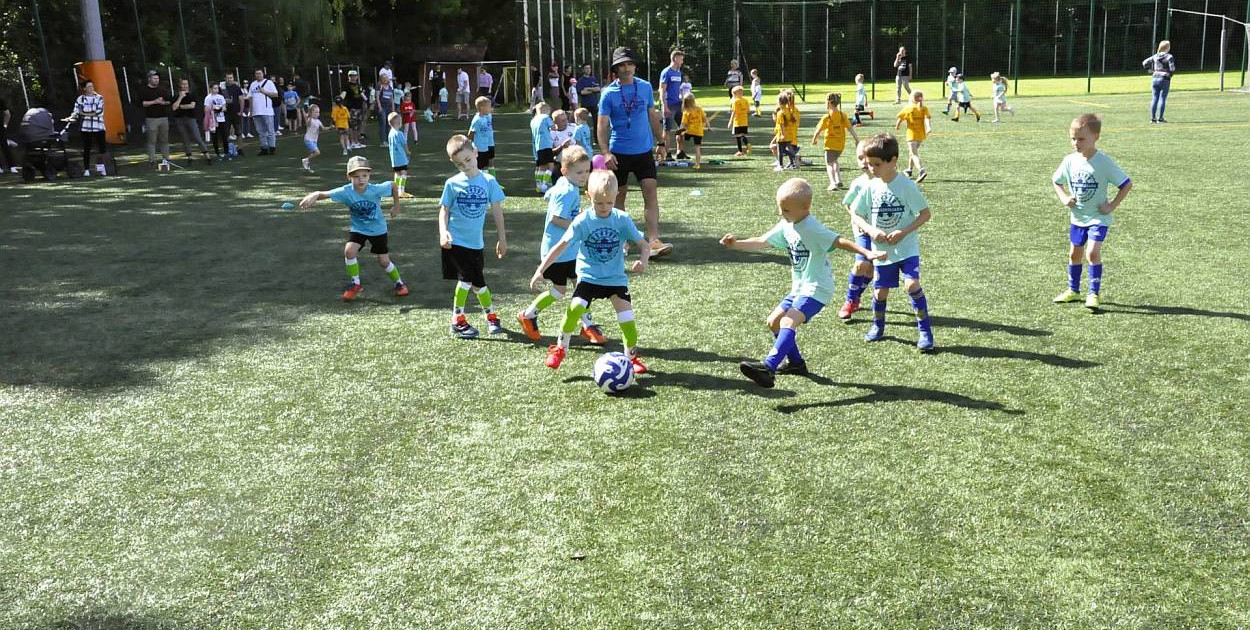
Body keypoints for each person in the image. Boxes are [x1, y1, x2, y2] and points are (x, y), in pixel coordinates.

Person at [724, 178, 886, 388]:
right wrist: (736, 244)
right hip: (800, 288)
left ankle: (769, 367)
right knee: (773, 321)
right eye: (780, 208)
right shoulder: (787, 224)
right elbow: (762, 241)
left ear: (805, 207)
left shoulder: (812, 227)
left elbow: (840, 241)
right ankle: (796, 364)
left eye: (786, 210)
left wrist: (867, 253)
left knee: (787, 322)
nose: (782, 214)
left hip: (817, 289)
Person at [531, 169, 651, 373]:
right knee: (576, 307)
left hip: (615, 279)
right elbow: (560, 245)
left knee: (627, 318)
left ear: (616, 198)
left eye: (609, 203)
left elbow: (644, 244)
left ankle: (631, 357)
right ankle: (560, 348)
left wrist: (643, 260)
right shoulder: (582, 221)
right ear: (588, 197)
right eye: (598, 203)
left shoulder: (622, 219)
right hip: (588, 277)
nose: (604, 208)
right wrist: (540, 270)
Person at [850, 134, 935, 352]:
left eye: (876, 165)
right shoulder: (870, 187)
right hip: (882, 253)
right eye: (869, 164)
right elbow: (856, 213)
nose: (872, 169)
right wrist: (870, 230)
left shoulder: (906, 186)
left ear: (893, 160)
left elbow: (925, 214)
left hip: (906, 249)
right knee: (880, 292)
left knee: (912, 285)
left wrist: (903, 231)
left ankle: (925, 331)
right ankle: (878, 326)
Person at [516, 146, 607, 345]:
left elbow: (553, 199)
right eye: (579, 172)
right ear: (565, 171)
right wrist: (581, 225)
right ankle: (528, 314)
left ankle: (587, 326)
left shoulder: (567, 185)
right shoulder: (567, 191)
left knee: (582, 287)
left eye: (587, 171)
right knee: (560, 291)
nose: (584, 176)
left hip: (571, 251)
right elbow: (556, 219)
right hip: (557, 252)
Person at [597, 46, 674, 257]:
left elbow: (652, 114)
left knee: (650, 194)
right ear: (616, 69)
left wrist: (661, 142)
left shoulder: (646, 87)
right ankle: (622, 242)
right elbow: (602, 125)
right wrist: (605, 153)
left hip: (643, 152)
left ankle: (654, 240)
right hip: (618, 153)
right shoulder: (608, 93)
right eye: (622, 64)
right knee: (618, 198)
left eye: (630, 63)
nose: (627, 68)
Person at [298, 156, 408, 302]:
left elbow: (393, 185)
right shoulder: (346, 191)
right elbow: (325, 194)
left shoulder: (375, 189)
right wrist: (315, 194)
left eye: (365, 175)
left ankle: (399, 283)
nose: (361, 180)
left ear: (369, 175)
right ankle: (356, 284)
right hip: (359, 229)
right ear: (349, 177)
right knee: (349, 251)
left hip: (378, 230)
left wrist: (397, 205)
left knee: (383, 261)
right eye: (356, 177)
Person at [1051, 114, 1133, 310]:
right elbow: (1056, 181)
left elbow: (1126, 184)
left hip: (1098, 217)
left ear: (1096, 137)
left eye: (1081, 139)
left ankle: (1093, 294)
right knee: (1074, 255)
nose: (1076, 143)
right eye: (1073, 138)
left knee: (1092, 252)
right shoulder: (1069, 161)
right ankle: (1073, 290)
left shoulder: (1103, 162)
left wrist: (1112, 205)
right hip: (1078, 217)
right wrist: (1064, 197)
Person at [439, 134, 509, 339]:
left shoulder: (489, 181)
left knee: (478, 283)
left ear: (476, 153)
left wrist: (502, 238)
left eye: (468, 160)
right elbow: (444, 209)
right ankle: (457, 320)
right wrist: (443, 232)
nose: (466, 166)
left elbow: (497, 211)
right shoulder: (452, 183)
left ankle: (491, 316)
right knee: (467, 279)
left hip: (476, 243)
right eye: (460, 164)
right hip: (456, 243)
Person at [837, 140, 876, 321]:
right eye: (859, 158)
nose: (862, 162)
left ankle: (857, 294)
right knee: (861, 264)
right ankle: (850, 301)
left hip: (882, 232)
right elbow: (847, 203)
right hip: (863, 231)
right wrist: (857, 219)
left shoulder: (887, 181)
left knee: (872, 271)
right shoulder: (858, 183)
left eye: (865, 158)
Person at [811, 92, 859, 191]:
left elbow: (818, 130)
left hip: (830, 145)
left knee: (829, 164)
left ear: (828, 103)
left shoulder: (827, 117)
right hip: (840, 145)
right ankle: (838, 180)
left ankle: (832, 183)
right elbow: (850, 129)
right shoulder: (842, 115)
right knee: (835, 161)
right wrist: (856, 139)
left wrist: (814, 139)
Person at [170, 78, 212, 164]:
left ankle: (207, 155)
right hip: (179, 119)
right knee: (185, 139)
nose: (185, 86)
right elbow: (174, 107)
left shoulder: (192, 94)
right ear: (180, 85)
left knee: (197, 137)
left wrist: (180, 106)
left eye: (186, 84)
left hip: (190, 118)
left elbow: (192, 106)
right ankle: (189, 157)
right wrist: (180, 97)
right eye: (183, 84)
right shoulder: (176, 95)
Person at [71, 80, 108, 177]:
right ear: (84, 89)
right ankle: (86, 170)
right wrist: (75, 115)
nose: (91, 88)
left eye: (92, 86)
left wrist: (84, 113)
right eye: (89, 86)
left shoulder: (99, 98)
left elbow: (99, 112)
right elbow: (76, 111)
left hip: (99, 127)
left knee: (102, 149)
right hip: (86, 128)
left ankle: (102, 169)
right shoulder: (80, 99)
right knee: (86, 149)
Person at [137, 70, 172, 169]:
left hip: (163, 118)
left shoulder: (162, 89)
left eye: (157, 78)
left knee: (165, 140)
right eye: (154, 78)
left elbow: (169, 101)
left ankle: (166, 159)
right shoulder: (144, 90)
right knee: (152, 141)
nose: (156, 80)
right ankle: (152, 160)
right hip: (151, 119)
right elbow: (142, 103)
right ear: (149, 79)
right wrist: (154, 102)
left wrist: (163, 103)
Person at [894, 90, 931, 182]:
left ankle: (921, 170)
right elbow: (927, 119)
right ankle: (909, 170)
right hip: (921, 134)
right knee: (912, 152)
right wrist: (928, 127)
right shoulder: (924, 108)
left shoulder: (908, 108)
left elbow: (900, 118)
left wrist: (897, 126)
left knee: (914, 154)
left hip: (911, 134)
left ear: (911, 98)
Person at [659, 50, 687, 160]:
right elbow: (662, 89)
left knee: (682, 128)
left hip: (678, 104)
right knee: (667, 130)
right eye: (681, 59)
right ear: (675, 59)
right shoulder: (666, 72)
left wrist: (683, 101)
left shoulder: (678, 72)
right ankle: (667, 153)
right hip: (669, 105)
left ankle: (680, 151)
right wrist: (664, 106)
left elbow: (679, 89)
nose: (682, 61)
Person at [1143, 40, 1176, 124]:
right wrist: (1170, 75)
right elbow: (1172, 68)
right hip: (1164, 78)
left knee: (1154, 98)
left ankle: (1153, 118)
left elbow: (1144, 63)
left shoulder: (1155, 56)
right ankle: (1160, 118)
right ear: (1167, 47)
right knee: (1162, 98)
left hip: (1155, 78)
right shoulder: (1169, 56)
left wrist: (1150, 70)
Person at [248, 69, 279, 155]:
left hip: (267, 110)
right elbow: (250, 97)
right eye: (256, 73)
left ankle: (272, 147)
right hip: (256, 111)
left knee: (270, 130)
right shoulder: (253, 84)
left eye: (259, 73)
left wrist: (265, 92)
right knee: (260, 130)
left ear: (263, 74)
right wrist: (251, 111)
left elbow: (275, 94)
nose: (258, 75)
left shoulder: (269, 83)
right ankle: (264, 147)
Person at [466, 96, 496, 176]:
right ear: (482, 108)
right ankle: (482, 183)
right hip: (479, 147)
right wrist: (469, 144)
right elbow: (471, 133)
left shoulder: (487, 116)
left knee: (487, 164)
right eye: (489, 107)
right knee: (481, 166)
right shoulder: (477, 120)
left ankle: (491, 182)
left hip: (486, 145)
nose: (491, 108)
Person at [530, 102, 556, 193]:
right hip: (546, 144)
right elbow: (553, 127)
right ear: (546, 110)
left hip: (537, 146)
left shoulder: (533, 120)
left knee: (541, 166)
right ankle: (544, 184)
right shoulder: (545, 117)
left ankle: (538, 185)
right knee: (551, 166)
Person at [677, 92, 707, 170]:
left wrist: (680, 130)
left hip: (689, 131)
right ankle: (697, 164)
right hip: (699, 131)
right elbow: (704, 118)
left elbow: (683, 123)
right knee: (697, 148)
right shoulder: (699, 109)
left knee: (681, 138)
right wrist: (708, 126)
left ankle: (681, 150)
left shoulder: (686, 111)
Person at [773, 92, 799, 171]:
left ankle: (780, 166)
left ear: (779, 102)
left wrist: (782, 134)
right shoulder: (790, 111)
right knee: (789, 147)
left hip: (782, 134)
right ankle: (794, 158)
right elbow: (795, 121)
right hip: (789, 134)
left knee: (781, 151)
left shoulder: (780, 113)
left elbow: (781, 124)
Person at [386, 112, 410, 197]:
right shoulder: (399, 133)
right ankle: (401, 190)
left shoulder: (390, 134)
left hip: (394, 158)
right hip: (401, 157)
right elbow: (404, 144)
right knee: (403, 173)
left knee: (397, 173)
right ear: (399, 123)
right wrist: (407, 152)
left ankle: (395, 189)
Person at [341, 69, 366, 149]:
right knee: (352, 126)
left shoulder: (359, 85)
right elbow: (343, 95)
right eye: (351, 76)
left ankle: (356, 141)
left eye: (354, 76)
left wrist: (366, 101)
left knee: (358, 126)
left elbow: (362, 95)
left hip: (359, 107)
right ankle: (352, 142)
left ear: (357, 77)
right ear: (349, 77)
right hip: (351, 108)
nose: (353, 77)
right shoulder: (346, 85)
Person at [203, 82, 227, 159]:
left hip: (221, 119)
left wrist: (221, 109)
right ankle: (217, 153)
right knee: (215, 136)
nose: (216, 90)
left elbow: (224, 107)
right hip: (213, 120)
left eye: (217, 88)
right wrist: (212, 110)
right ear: (210, 89)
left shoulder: (221, 97)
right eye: (214, 88)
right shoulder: (208, 98)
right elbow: (206, 109)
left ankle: (226, 152)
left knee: (224, 136)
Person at [220, 73, 245, 146]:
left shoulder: (237, 87)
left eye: (231, 78)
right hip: (225, 113)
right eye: (228, 78)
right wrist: (225, 101)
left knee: (238, 132)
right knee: (226, 132)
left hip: (236, 113)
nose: (229, 79)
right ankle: (227, 149)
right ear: (225, 79)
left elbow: (241, 99)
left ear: (233, 78)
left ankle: (240, 148)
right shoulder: (222, 88)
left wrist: (241, 111)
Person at [728, 84, 752, 157]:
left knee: (738, 136)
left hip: (737, 121)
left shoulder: (735, 102)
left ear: (735, 93)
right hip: (744, 121)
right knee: (742, 134)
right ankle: (748, 145)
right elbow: (748, 111)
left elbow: (734, 112)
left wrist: (730, 122)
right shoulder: (745, 100)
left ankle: (740, 151)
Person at [375, 75, 396, 147]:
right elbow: (377, 97)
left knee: (388, 124)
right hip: (382, 107)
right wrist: (379, 106)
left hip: (389, 107)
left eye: (387, 78)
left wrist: (393, 108)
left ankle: (388, 140)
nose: (386, 79)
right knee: (383, 124)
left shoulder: (390, 87)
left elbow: (392, 98)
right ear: (381, 79)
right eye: (384, 78)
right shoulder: (379, 87)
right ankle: (383, 141)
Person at [302, 103, 323, 173]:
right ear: (311, 113)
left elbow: (323, 128)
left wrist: (330, 127)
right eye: (316, 112)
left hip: (314, 140)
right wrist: (308, 116)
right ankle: (305, 160)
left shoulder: (318, 121)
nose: (318, 114)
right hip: (308, 139)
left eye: (318, 112)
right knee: (317, 152)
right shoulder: (310, 120)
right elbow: (308, 124)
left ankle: (307, 167)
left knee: (312, 154)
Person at [0, 95, 16, 173]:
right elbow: (7, 114)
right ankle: (11, 167)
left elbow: (7, 114)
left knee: (5, 147)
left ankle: (12, 166)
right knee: (5, 146)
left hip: (1, 128)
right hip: (1, 128)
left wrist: (5, 125)